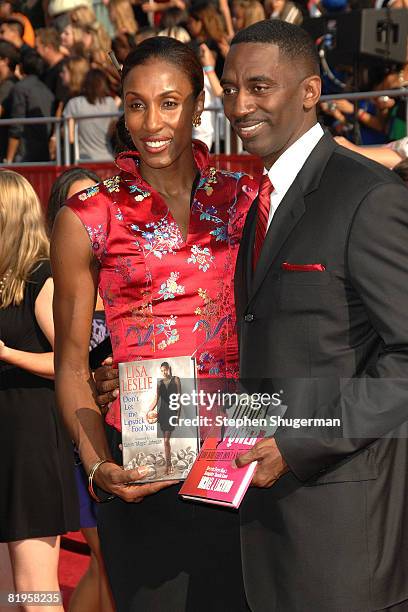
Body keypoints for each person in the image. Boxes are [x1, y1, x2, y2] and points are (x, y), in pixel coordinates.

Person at [51, 36, 258, 611]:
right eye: (135, 103)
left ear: (198, 107)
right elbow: (68, 365)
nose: (151, 121)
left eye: (169, 102)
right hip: (144, 470)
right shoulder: (87, 215)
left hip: (240, 462)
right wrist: (98, 467)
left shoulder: (246, 198)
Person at [220, 19, 408, 611]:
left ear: (308, 92)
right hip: (268, 538)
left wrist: (298, 445)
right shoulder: (261, 206)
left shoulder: (368, 196)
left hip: (345, 546)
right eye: (228, 88)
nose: (238, 105)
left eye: (258, 87)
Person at [0, 170, 79, 610]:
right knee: (8, 594)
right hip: (7, 446)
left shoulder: (41, 277)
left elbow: (69, 362)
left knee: (35, 591)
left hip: (30, 447)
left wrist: (8, 354)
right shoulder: (4, 280)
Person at [46, 167, 114, 612]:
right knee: (105, 561)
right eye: (78, 201)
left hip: (130, 433)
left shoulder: (119, 276)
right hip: (84, 440)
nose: (89, 209)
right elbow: (63, 365)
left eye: (95, 197)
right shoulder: (58, 285)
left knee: (105, 565)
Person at [62, 68, 118, 161]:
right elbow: (112, 131)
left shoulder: (74, 103)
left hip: (83, 159)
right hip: (107, 158)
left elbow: (70, 136)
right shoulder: (110, 103)